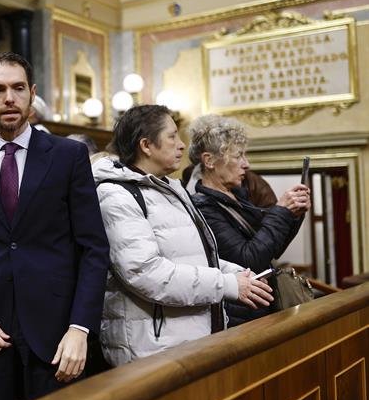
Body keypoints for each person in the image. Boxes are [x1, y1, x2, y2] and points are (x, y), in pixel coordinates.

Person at [0, 51, 111, 400]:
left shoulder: (68, 155)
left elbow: (93, 250)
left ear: (32, 94)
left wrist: (80, 328)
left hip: (58, 335)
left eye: (18, 88)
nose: (9, 98)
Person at [92, 105, 274, 367]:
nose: (181, 145)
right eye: (172, 136)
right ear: (146, 145)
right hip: (153, 349)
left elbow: (195, 255)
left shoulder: (168, 188)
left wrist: (237, 273)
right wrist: (227, 284)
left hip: (188, 339)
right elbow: (146, 273)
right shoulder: (117, 195)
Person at [187, 114, 309, 326]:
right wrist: (281, 211)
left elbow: (271, 249)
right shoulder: (203, 207)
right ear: (209, 160)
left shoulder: (238, 196)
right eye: (238, 156)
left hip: (258, 306)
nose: (247, 164)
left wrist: (293, 214)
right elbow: (248, 260)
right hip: (240, 316)